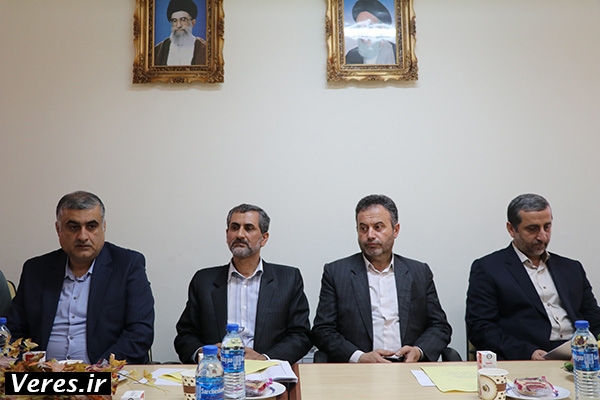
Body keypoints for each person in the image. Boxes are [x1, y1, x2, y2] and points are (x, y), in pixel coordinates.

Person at [7, 191, 155, 364]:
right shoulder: (36, 270)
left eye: (91, 226)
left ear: (103, 227)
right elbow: (14, 332)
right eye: (73, 227)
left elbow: (140, 333)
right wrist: (30, 367)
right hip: (43, 375)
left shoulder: (128, 265)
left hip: (106, 373)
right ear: (58, 229)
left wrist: (100, 369)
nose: (83, 236)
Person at [311, 194, 452, 363]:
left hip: (408, 366)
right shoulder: (336, 273)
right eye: (363, 228)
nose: (370, 235)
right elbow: (323, 330)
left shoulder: (419, 272)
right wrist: (360, 357)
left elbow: (439, 326)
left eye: (378, 227)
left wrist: (418, 351)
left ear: (396, 230)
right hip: (360, 368)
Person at [466, 193, 600, 360]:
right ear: (511, 229)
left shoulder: (572, 268)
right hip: (528, 355)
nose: (542, 236)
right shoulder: (489, 268)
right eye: (532, 229)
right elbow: (481, 328)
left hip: (580, 353)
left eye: (547, 227)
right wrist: (528, 352)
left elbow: (594, 320)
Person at [174, 204, 312, 364]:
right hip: (217, 372)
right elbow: (185, 335)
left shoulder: (288, 279)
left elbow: (301, 335)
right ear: (227, 235)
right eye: (234, 228)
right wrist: (204, 354)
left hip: (268, 371)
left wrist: (264, 359)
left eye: (249, 228)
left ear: (264, 238)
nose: (240, 234)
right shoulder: (204, 280)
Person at [154, 0, 207, 66]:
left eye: (183, 19)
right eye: (174, 20)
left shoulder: (204, 49)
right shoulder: (158, 50)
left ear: (193, 22)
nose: (178, 25)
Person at [345, 0, 397, 65]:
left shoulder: (398, 53)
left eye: (369, 26)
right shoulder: (351, 57)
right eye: (360, 27)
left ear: (382, 27)